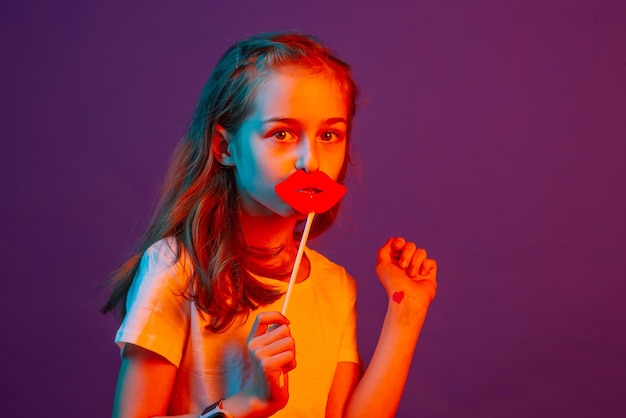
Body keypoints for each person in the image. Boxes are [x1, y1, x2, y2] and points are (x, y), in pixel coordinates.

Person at [102, 32, 437, 418]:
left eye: (329, 135)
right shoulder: (175, 270)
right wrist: (248, 403)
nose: (310, 161)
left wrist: (406, 313)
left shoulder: (335, 286)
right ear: (225, 148)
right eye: (282, 133)